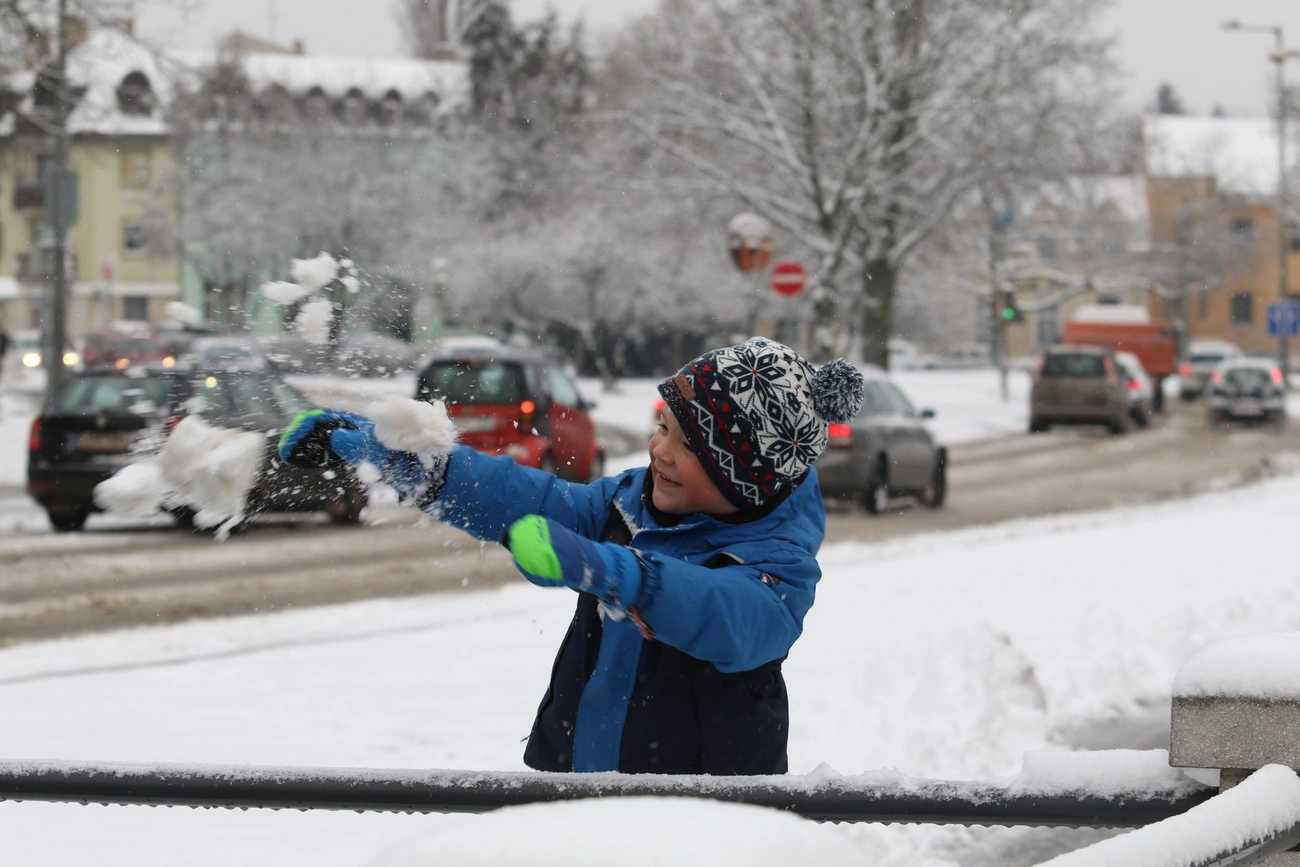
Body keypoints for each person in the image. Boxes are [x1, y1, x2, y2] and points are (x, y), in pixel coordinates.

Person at [278, 337, 864, 775]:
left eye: (688, 446)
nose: (658, 449)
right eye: (661, 427)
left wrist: (613, 572)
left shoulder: (777, 565)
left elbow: (728, 617)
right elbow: (522, 497)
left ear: (746, 478)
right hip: (575, 790)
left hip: (701, 827)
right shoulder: (624, 502)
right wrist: (387, 451)